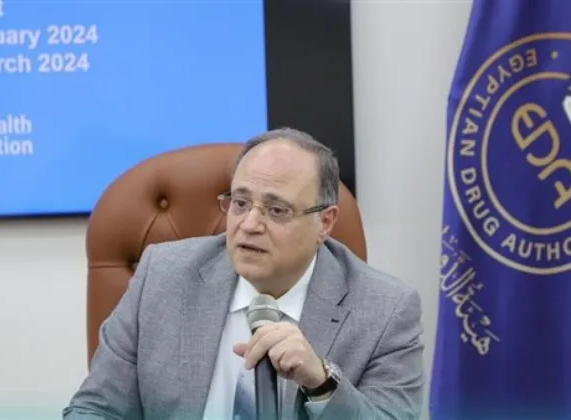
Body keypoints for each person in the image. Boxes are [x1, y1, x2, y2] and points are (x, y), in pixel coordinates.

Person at [63, 128, 425, 420]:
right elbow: (95, 408)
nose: (249, 224)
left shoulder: (386, 310)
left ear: (325, 223)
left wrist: (321, 384)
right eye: (240, 203)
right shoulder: (161, 276)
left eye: (277, 210)